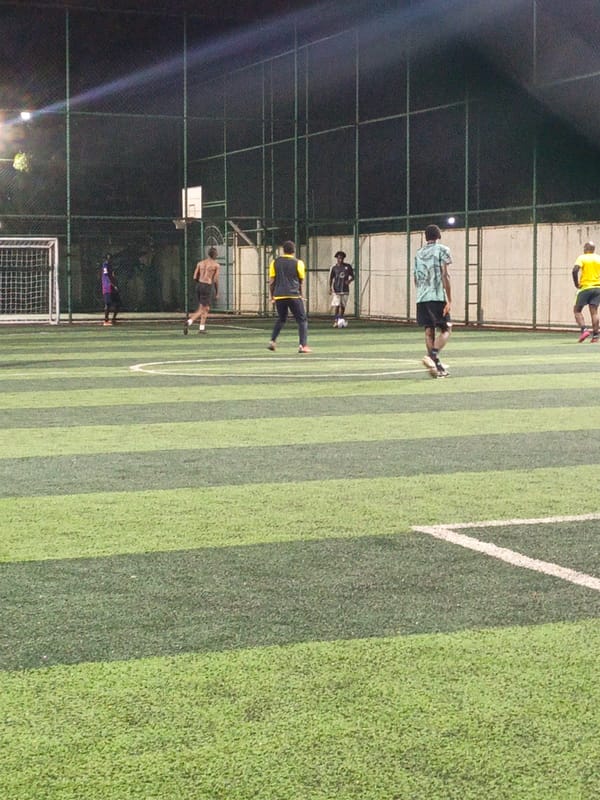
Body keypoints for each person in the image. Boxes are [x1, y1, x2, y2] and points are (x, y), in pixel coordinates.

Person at [413, 224, 452, 378]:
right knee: (446, 329)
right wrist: (449, 299)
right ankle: (432, 356)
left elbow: (415, 278)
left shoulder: (418, 253)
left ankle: (437, 368)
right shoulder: (443, 250)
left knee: (429, 331)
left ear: (425, 237)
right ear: (439, 236)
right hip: (436, 296)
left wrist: (421, 292)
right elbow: (445, 275)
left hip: (421, 297)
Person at [267, 240, 311, 353]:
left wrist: (272, 296)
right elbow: (300, 280)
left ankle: (272, 341)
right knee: (302, 319)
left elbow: (271, 282)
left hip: (279, 296)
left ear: (283, 250)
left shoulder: (274, 262)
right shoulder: (298, 263)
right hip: (293, 295)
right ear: (294, 250)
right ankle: (303, 345)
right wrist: (300, 294)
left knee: (281, 318)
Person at [184, 247, 220, 334]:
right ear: (215, 254)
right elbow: (215, 279)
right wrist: (217, 292)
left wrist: (200, 283)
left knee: (205, 308)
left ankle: (202, 328)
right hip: (206, 286)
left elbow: (194, 276)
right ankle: (189, 321)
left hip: (199, 285)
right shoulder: (216, 265)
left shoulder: (200, 263)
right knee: (203, 309)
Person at [572, 241, 600, 343]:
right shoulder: (598, 258)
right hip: (597, 288)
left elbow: (575, 270)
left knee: (577, 310)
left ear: (586, 248)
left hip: (585, 288)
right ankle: (596, 336)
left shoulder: (582, 257)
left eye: (584, 247)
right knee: (594, 312)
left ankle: (584, 330)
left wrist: (576, 283)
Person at [329, 250, 354, 327]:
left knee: (343, 305)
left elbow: (353, 276)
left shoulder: (348, 267)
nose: (340, 259)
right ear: (337, 258)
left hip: (345, 289)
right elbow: (331, 278)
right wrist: (330, 288)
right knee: (337, 305)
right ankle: (336, 320)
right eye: (339, 258)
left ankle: (341, 318)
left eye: (342, 258)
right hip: (337, 289)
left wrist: (349, 281)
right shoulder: (334, 268)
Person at [101, 253, 121, 326]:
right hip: (107, 287)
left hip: (113, 287)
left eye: (111, 258)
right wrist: (113, 285)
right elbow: (107, 277)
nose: (110, 260)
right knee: (108, 304)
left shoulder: (111, 266)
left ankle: (113, 319)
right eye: (108, 258)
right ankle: (106, 321)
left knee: (118, 303)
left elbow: (113, 276)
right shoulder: (105, 265)